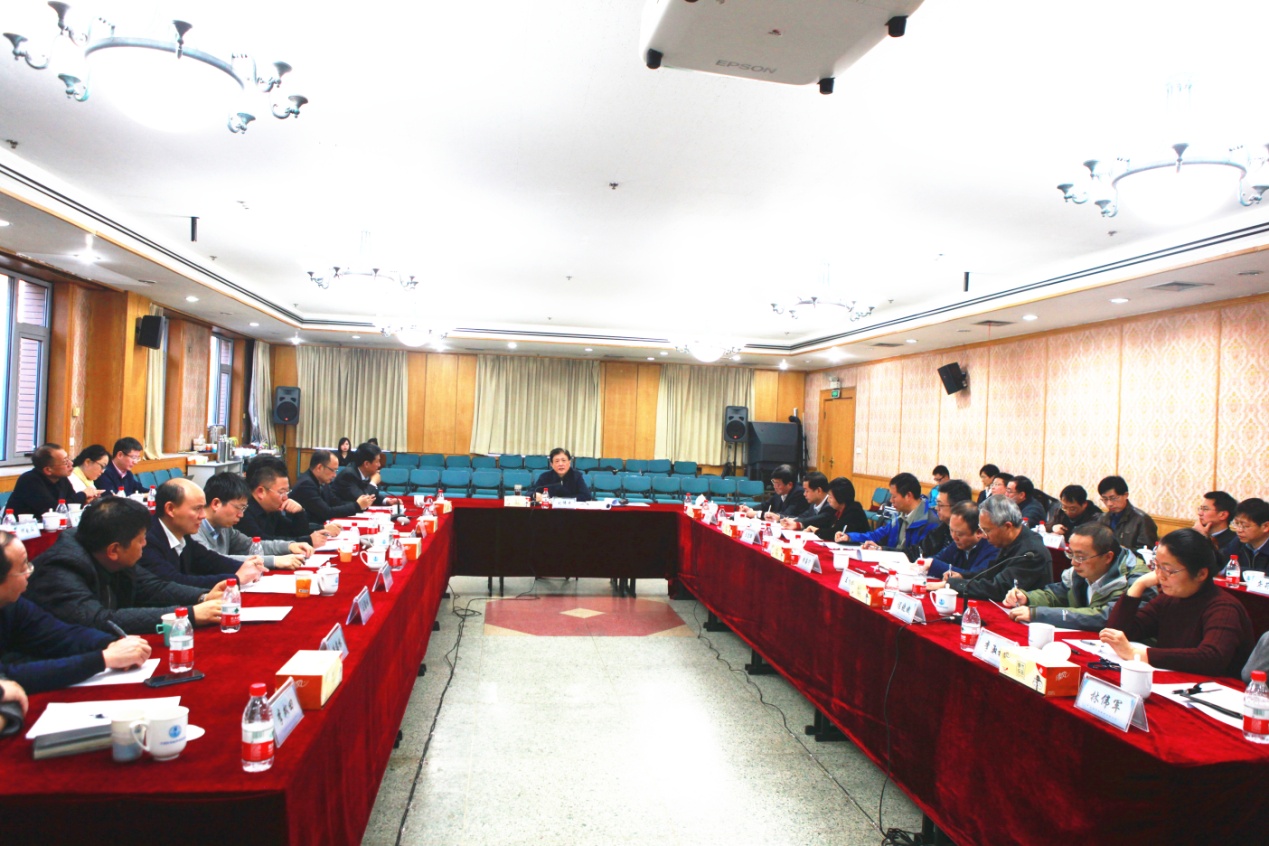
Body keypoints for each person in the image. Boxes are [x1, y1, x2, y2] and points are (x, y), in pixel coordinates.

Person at [24, 497, 225, 634]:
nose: (145, 544)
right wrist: (188, 615)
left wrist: (203, 597)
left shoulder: (107, 550)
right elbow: (98, 620)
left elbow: (152, 587)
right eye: (141, 539)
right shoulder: (61, 569)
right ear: (114, 550)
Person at [0, 531, 151, 693]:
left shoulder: (13, 604)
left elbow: (59, 634)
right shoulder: (61, 564)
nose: (29, 573)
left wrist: (110, 644)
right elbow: (9, 677)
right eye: (22, 568)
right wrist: (103, 659)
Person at [1102, 528, 1253, 677]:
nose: (1160, 576)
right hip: (1173, 679)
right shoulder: (1169, 598)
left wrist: (1137, 654)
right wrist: (1138, 585)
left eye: (1168, 570)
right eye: (1157, 566)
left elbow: (1211, 657)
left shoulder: (1224, 607)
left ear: (1201, 574)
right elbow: (1117, 634)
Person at [1004, 523, 1151, 632]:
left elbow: (1106, 616)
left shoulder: (1136, 580)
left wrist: (1039, 614)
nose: (1073, 562)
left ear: (1107, 557)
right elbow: (1058, 594)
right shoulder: (1080, 572)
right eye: (1071, 554)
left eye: (1080, 557)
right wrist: (1027, 598)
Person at [140, 478, 263, 589]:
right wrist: (234, 578)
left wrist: (243, 567)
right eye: (197, 509)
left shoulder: (182, 534)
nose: (203, 515)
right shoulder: (147, 540)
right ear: (170, 509)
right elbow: (173, 582)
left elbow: (208, 560)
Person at [940, 496, 1050, 602]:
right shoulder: (1011, 540)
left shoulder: (1031, 552)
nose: (984, 536)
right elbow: (992, 573)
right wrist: (963, 576)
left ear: (1007, 526)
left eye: (987, 530)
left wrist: (952, 585)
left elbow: (999, 589)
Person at [193, 473, 309, 569]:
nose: (241, 514)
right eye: (239, 508)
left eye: (244, 509)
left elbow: (251, 546)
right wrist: (274, 561)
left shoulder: (225, 528)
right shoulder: (193, 530)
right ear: (216, 504)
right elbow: (215, 560)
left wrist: (289, 546)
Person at [239, 463, 336, 547]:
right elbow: (263, 542)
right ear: (261, 492)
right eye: (281, 492)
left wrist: (299, 512)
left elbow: (293, 532)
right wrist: (308, 541)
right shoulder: (243, 511)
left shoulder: (272, 509)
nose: (286, 497)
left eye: (287, 492)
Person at [838, 472, 933, 554]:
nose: (891, 500)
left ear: (908, 496)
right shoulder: (900, 517)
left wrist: (882, 549)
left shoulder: (930, 522)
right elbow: (877, 535)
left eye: (894, 497)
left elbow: (916, 554)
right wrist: (849, 537)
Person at [291, 449, 375, 522]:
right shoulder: (306, 484)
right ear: (319, 468)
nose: (335, 475)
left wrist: (360, 505)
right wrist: (357, 506)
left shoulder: (322, 482)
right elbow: (326, 512)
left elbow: (336, 502)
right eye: (333, 470)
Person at [5, 443, 87, 516]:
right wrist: (83, 495)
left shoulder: (62, 478)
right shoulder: (29, 480)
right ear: (48, 470)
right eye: (65, 461)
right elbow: (52, 509)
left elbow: (71, 503)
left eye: (68, 459)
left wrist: (85, 500)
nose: (71, 463)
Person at [927, 502, 997, 579]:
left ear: (979, 532)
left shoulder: (993, 549)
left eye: (959, 534)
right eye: (951, 530)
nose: (954, 537)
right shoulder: (958, 543)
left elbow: (973, 576)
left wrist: (933, 565)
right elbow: (938, 558)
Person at [914, 479, 973, 559]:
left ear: (957, 507)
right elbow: (919, 550)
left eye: (940, 505)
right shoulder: (940, 529)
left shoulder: (966, 539)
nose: (936, 508)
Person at [1096, 475, 1158, 550]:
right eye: (1105, 499)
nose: (1109, 504)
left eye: (1113, 498)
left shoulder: (1142, 519)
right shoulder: (1103, 518)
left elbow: (1146, 551)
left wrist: (1121, 550)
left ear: (1125, 495)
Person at [332, 442, 400, 507]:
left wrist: (387, 501)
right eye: (377, 461)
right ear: (366, 464)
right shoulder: (348, 475)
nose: (379, 465)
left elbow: (372, 494)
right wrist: (373, 482)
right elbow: (362, 500)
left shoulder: (366, 473)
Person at [737, 465, 806, 521]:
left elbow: (785, 515)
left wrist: (758, 514)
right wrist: (750, 509)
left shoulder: (799, 493)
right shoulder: (780, 492)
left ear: (789, 484)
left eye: (778, 484)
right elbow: (766, 505)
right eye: (774, 482)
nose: (775, 486)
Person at [815, 477, 869, 541]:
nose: (828, 500)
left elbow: (835, 533)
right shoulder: (836, 509)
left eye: (830, 497)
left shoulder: (854, 512)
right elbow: (826, 524)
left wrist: (816, 531)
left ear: (840, 497)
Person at [1227, 498, 1269, 574]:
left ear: (1265, 526)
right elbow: (1220, 563)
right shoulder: (1238, 542)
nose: (1239, 530)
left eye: (1245, 526)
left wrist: (1238, 570)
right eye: (1237, 523)